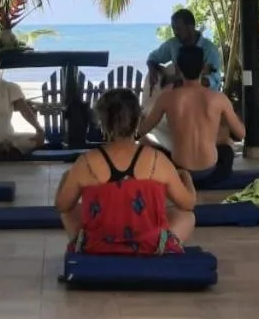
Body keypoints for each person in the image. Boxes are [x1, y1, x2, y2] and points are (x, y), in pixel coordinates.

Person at [54, 88, 196, 253]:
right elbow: (188, 204)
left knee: (69, 211)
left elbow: (62, 206)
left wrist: (66, 177)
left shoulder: (86, 162)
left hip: (97, 245)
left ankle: (88, 250)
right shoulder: (158, 160)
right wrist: (187, 178)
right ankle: (157, 251)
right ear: (137, 120)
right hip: (150, 246)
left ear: (102, 122)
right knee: (187, 216)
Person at [137, 44, 245, 187]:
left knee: (146, 142)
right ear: (203, 68)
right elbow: (241, 133)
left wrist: (141, 117)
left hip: (179, 172)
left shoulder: (167, 98)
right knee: (226, 148)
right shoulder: (218, 99)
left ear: (177, 69)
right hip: (212, 173)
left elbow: (142, 131)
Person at [146, 8, 223, 95]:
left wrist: (179, 79)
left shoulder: (210, 50)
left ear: (190, 27)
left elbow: (215, 81)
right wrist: (152, 71)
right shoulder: (173, 44)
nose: (175, 32)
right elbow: (152, 57)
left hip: (202, 100)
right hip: (177, 99)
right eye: (173, 28)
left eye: (178, 28)